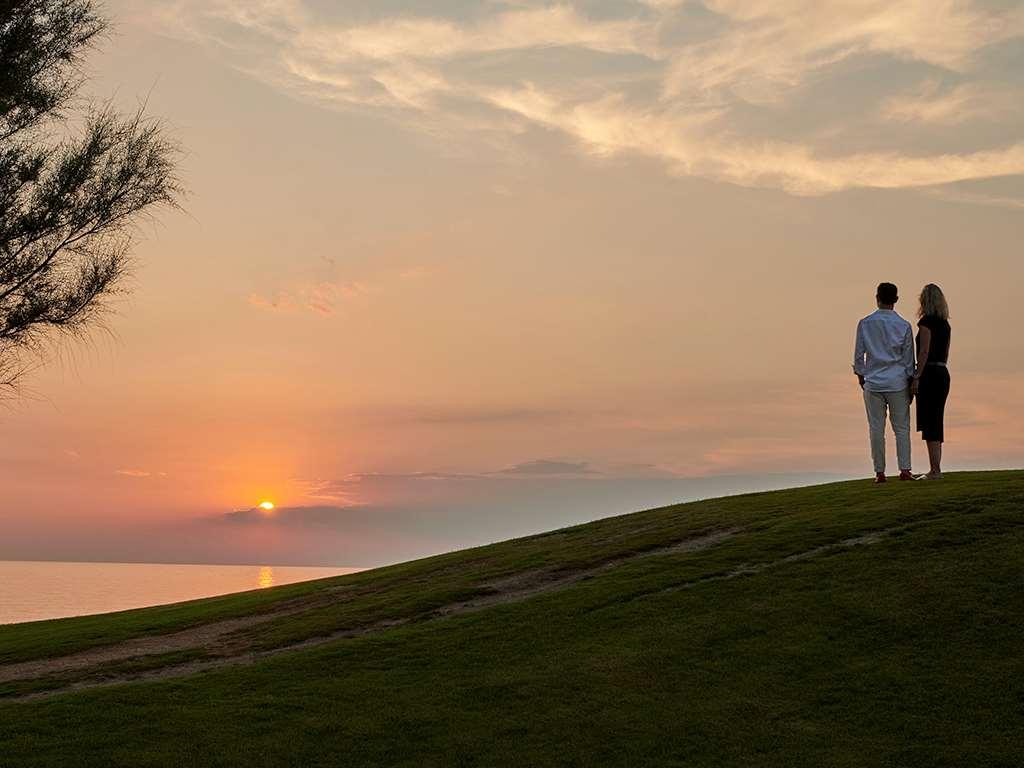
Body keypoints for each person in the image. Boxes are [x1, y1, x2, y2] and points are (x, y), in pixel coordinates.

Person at [853, 282, 916, 483]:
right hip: (897, 381)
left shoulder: (865, 323)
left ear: (877, 297)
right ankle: (905, 469)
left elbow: (858, 355)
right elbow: (908, 359)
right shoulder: (904, 325)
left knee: (876, 428)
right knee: (902, 428)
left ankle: (879, 472)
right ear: (896, 300)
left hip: (873, 382)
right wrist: (910, 380)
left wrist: (861, 376)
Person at [911, 284, 951, 479]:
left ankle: (935, 470)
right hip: (942, 372)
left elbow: (924, 351)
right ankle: (935, 467)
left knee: (930, 421)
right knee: (936, 420)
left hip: (930, 374)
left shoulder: (926, 322)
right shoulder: (945, 324)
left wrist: (917, 375)